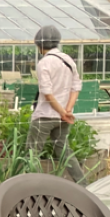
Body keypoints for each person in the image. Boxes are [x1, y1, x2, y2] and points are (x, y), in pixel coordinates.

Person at [28, 25, 85, 184]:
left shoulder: (44, 63)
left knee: (32, 153)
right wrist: (67, 110)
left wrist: (61, 111)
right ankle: (82, 183)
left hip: (44, 116)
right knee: (63, 150)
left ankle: (33, 185)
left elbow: (47, 92)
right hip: (63, 118)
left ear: (39, 45)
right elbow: (76, 87)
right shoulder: (68, 60)